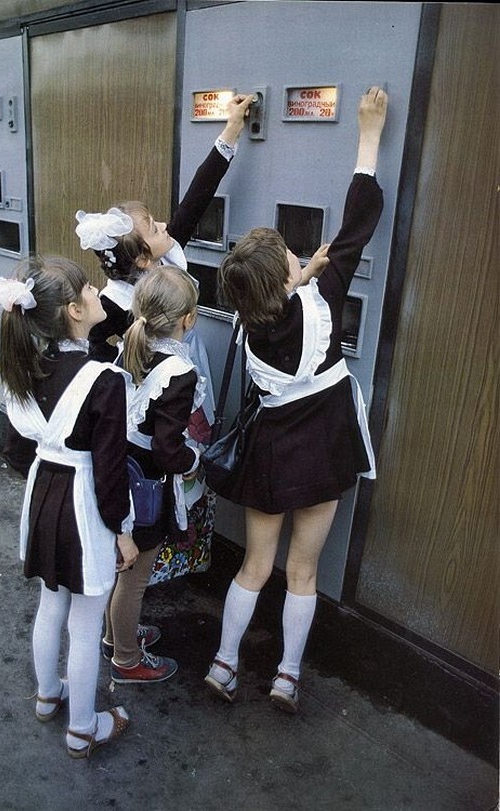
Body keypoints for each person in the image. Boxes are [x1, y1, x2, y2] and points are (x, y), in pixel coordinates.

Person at [204, 87, 389, 713]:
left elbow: (281, 296)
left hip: (271, 453)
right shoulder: (325, 299)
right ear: (289, 275)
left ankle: (224, 664)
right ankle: (286, 676)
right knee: (302, 572)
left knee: (254, 567)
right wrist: (369, 134)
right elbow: (357, 224)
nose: (297, 255)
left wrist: (302, 275)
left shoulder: (250, 319)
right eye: (291, 255)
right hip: (323, 450)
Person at [0, 256, 139, 758]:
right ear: (74, 310)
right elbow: (110, 473)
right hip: (85, 505)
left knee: (51, 603)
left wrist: (50, 476)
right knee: (86, 621)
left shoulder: (26, 369)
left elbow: (16, 449)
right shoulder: (104, 379)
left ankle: (48, 695)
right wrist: (122, 532)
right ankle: (83, 728)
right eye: (88, 289)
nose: (97, 292)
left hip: (44, 496)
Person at [74, 91, 254, 426]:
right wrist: (127, 371)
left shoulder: (165, 254)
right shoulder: (113, 303)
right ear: (143, 258)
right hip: (155, 391)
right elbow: (92, 348)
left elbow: (197, 196)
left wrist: (232, 128)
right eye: (155, 229)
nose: (163, 225)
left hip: (188, 361)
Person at [103, 265, 206, 684]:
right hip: (145, 486)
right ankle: (127, 659)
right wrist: (192, 459)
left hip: (118, 471)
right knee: (135, 578)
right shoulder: (179, 372)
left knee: (122, 573)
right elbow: (167, 448)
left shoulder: (130, 347)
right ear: (189, 319)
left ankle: (115, 636)